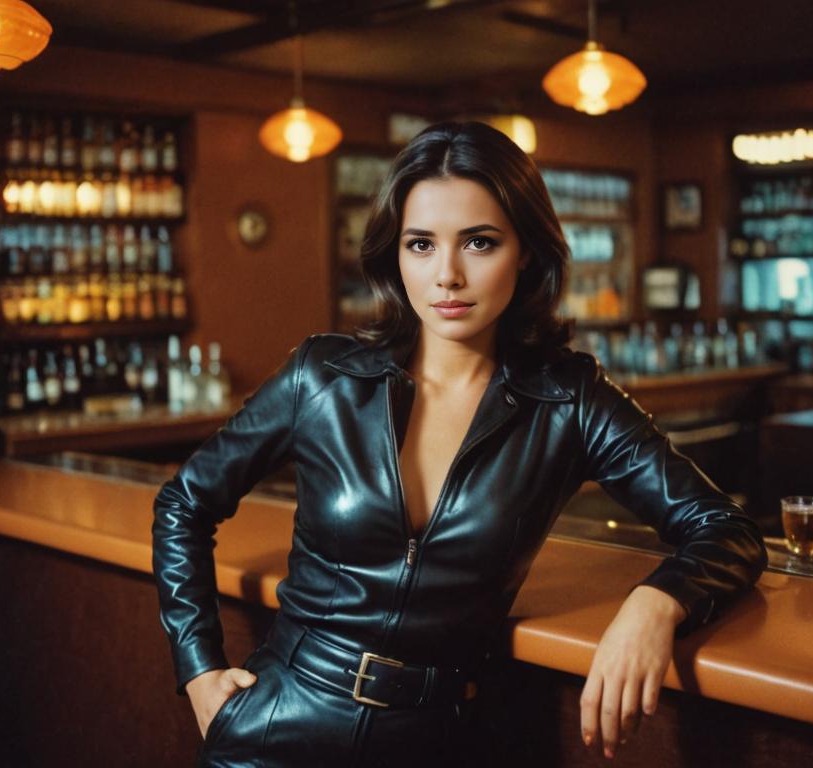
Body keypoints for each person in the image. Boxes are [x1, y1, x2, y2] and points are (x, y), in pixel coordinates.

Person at [152, 121, 768, 767]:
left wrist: (655, 604)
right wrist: (197, 670)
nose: (446, 275)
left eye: (479, 242)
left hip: (440, 742)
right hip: (275, 730)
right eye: (421, 244)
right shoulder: (322, 377)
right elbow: (183, 504)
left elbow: (726, 528)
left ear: (525, 250)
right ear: (396, 253)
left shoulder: (570, 401)